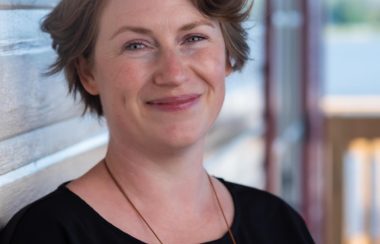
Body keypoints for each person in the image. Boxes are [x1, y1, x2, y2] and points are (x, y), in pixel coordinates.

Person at [0, 0, 315, 243]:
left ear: (228, 56)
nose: (174, 74)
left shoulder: (277, 224)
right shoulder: (48, 234)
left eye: (193, 37)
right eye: (136, 45)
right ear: (88, 72)